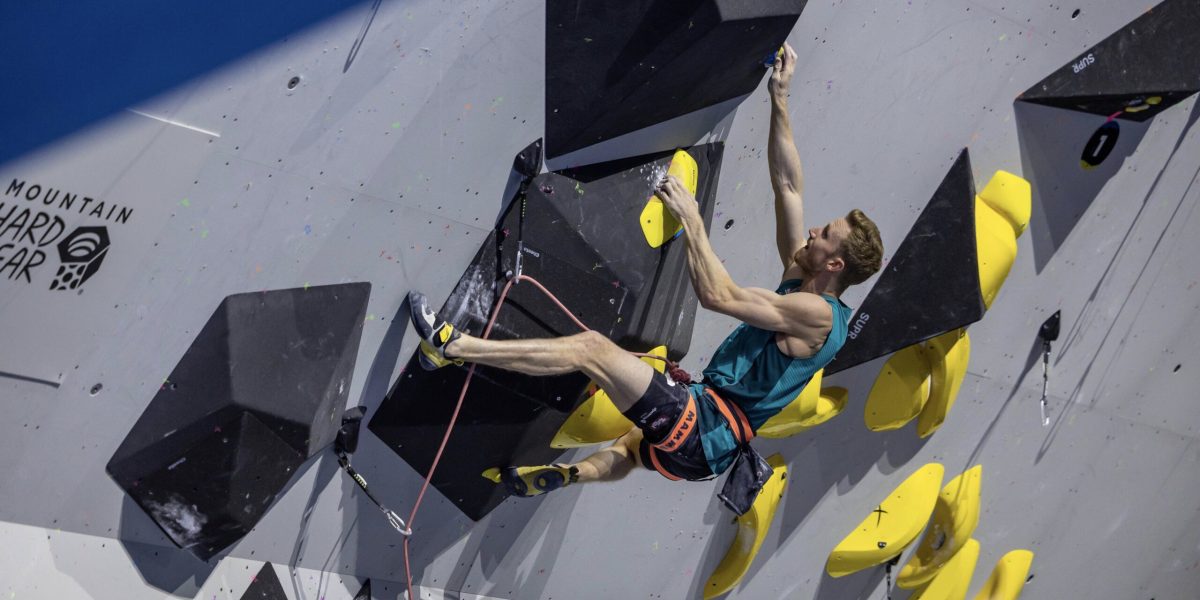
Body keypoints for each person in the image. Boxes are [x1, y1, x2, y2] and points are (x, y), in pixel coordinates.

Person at [407, 43, 883, 496]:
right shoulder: (803, 273)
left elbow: (721, 297)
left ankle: (450, 346)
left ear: (835, 264)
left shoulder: (817, 316)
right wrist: (779, 99)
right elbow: (788, 187)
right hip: (705, 448)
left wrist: (693, 221)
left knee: (592, 350)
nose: (813, 231)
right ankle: (568, 475)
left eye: (824, 235)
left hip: (704, 429)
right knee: (632, 450)